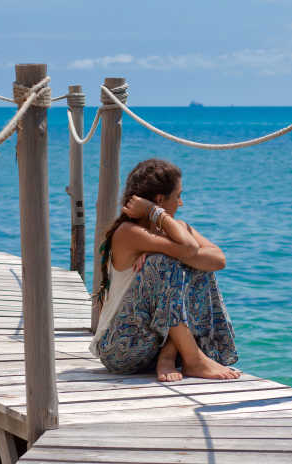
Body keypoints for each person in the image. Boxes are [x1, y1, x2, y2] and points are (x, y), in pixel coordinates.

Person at [89, 159, 241, 382]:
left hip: (153, 348)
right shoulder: (128, 232)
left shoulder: (179, 229)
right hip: (120, 348)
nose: (181, 203)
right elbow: (188, 248)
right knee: (165, 263)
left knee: (196, 266)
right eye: (178, 195)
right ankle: (193, 359)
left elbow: (218, 259)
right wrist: (155, 213)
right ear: (160, 200)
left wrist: (174, 250)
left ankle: (169, 356)